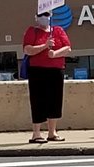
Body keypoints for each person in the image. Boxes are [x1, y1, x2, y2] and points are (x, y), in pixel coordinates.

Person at [22, 10, 72, 143]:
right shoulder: (32, 31)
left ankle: (52, 132)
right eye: (41, 15)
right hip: (38, 70)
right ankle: (36, 133)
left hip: (56, 70)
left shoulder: (58, 30)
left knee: (55, 100)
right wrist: (45, 46)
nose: (44, 18)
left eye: (47, 15)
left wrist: (54, 54)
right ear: (36, 17)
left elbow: (67, 48)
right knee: (38, 100)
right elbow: (28, 49)